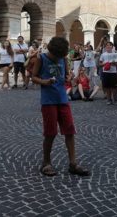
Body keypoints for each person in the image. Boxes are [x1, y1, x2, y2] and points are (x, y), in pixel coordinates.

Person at [32, 37, 90, 177]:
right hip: (48, 101)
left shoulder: (63, 59)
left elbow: (65, 76)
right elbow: (33, 77)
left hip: (63, 99)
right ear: (50, 50)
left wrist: (69, 77)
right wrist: (44, 81)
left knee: (69, 131)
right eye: (56, 56)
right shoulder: (41, 58)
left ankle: (73, 163)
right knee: (50, 133)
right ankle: (46, 163)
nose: (57, 59)